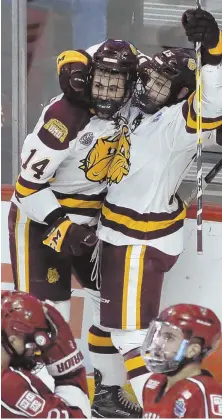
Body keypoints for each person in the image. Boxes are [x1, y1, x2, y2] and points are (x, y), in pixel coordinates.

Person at [85, 8, 222, 414]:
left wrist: (213, 53)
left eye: (164, 84)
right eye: (151, 77)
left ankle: (159, 409)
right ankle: (108, 394)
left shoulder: (177, 125)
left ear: (182, 94)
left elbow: (212, 104)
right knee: (104, 320)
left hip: (137, 242)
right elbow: (114, 58)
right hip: (112, 234)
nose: (150, 86)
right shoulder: (142, 100)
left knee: (130, 335)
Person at [8, 41, 141, 417]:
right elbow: (27, 187)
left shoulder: (136, 91)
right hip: (41, 218)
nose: (107, 93)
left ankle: (105, 391)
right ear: (89, 78)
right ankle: (44, 404)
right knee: (48, 317)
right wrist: (60, 226)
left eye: (117, 85)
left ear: (131, 83)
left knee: (113, 307)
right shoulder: (64, 115)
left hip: (95, 219)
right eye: (100, 82)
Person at [1, 290, 91, 418]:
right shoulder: (10, 386)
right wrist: (69, 375)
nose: (35, 348)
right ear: (14, 340)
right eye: (31, 339)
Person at [140, 303, 222, 418]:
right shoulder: (153, 382)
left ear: (193, 350)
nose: (158, 343)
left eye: (169, 337)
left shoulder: (203, 392)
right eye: (160, 335)